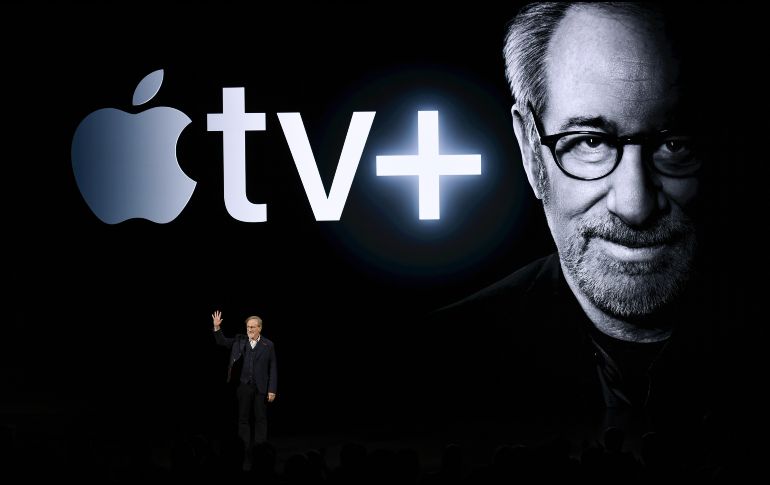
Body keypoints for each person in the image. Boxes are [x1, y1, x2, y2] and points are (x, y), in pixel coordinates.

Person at [420, 2, 756, 455]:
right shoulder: (432, 363)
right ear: (529, 150)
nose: (635, 205)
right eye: (590, 142)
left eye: (675, 143)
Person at [211, 310, 277, 459]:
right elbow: (222, 341)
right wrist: (217, 328)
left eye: (253, 327)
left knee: (260, 418)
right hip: (244, 386)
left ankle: (260, 450)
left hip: (261, 387)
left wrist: (272, 389)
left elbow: (273, 368)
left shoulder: (268, 345)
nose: (249, 330)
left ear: (260, 328)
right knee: (243, 418)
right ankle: (244, 449)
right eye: (248, 327)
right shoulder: (240, 341)